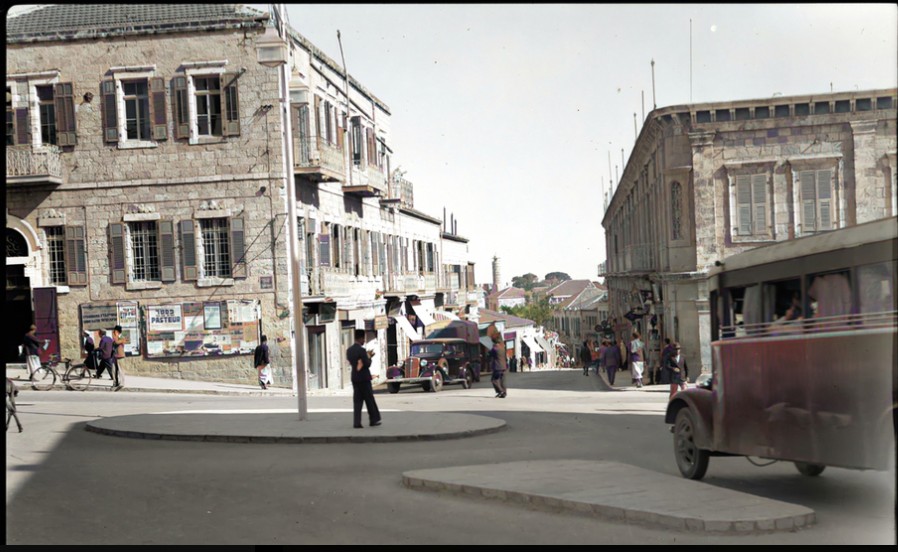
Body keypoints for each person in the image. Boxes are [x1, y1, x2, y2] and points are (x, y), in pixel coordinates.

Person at [347, 329, 381, 428]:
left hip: (355, 377)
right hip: (364, 378)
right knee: (369, 399)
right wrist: (369, 357)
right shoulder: (361, 350)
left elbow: (353, 362)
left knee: (357, 400)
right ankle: (373, 419)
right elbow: (366, 364)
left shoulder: (349, 350)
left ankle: (357, 422)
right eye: (364, 338)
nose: (364, 341)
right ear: (361, 338)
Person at [111, 325, 125, 389]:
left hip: (120, 355)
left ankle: (122, 383)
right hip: (115, 355)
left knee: (120, 369)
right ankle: (115, 382)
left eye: (115, 331)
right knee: (113, 369)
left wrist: (115, 336)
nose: (114, 332)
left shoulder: (121, 336)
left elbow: (117, 342)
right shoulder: (116, 337)